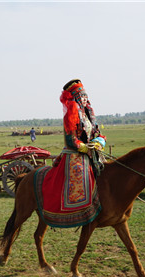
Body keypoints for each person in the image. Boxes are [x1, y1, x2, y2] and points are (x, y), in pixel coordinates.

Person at [40, 79, 106, 227]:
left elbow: (97, 133)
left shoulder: (88, 114)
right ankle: (81, 209)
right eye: (81, 96)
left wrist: (98, 142)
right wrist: (85, 148)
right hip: (75, 153)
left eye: (85, 96)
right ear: (75, 97)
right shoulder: (71, 114)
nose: (84, 99)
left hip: (92, 151)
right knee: (80, 173)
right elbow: (71, 139)